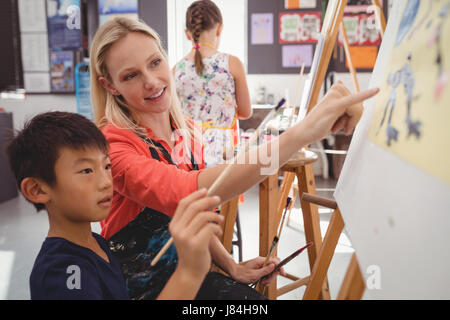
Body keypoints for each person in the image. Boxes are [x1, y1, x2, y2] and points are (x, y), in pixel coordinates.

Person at [90, 16, 378, 300]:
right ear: (111, 85)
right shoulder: (113, 143)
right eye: (131, 75)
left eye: (155, 62)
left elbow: (198, 212)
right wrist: (300, 134)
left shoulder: (186, 131)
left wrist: (232, 266)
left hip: (191, 276)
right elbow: (185, 192)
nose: (151, 82)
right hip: (142, 290)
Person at [5, 111, 228, 300]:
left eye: (107, 166)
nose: (105, 183)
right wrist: (189, 273)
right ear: (37, 190)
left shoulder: (97, 244)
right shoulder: (63, 271)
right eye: (86, 171)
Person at [174, 0, 252, 167]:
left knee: (192, 193)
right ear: (219, 28)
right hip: (223, 151)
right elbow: (245, 111)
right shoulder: (232, 63)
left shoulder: (176, 70)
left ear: (188, 34)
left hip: (185, 151)